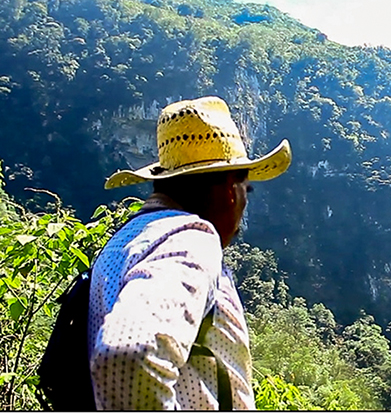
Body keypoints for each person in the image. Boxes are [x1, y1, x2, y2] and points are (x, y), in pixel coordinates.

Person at [88, 96, 292, 410]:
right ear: (229, 189)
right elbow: (127, 353)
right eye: (246, 189)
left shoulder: (124, 241)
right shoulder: (191, 239)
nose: (244, 203)